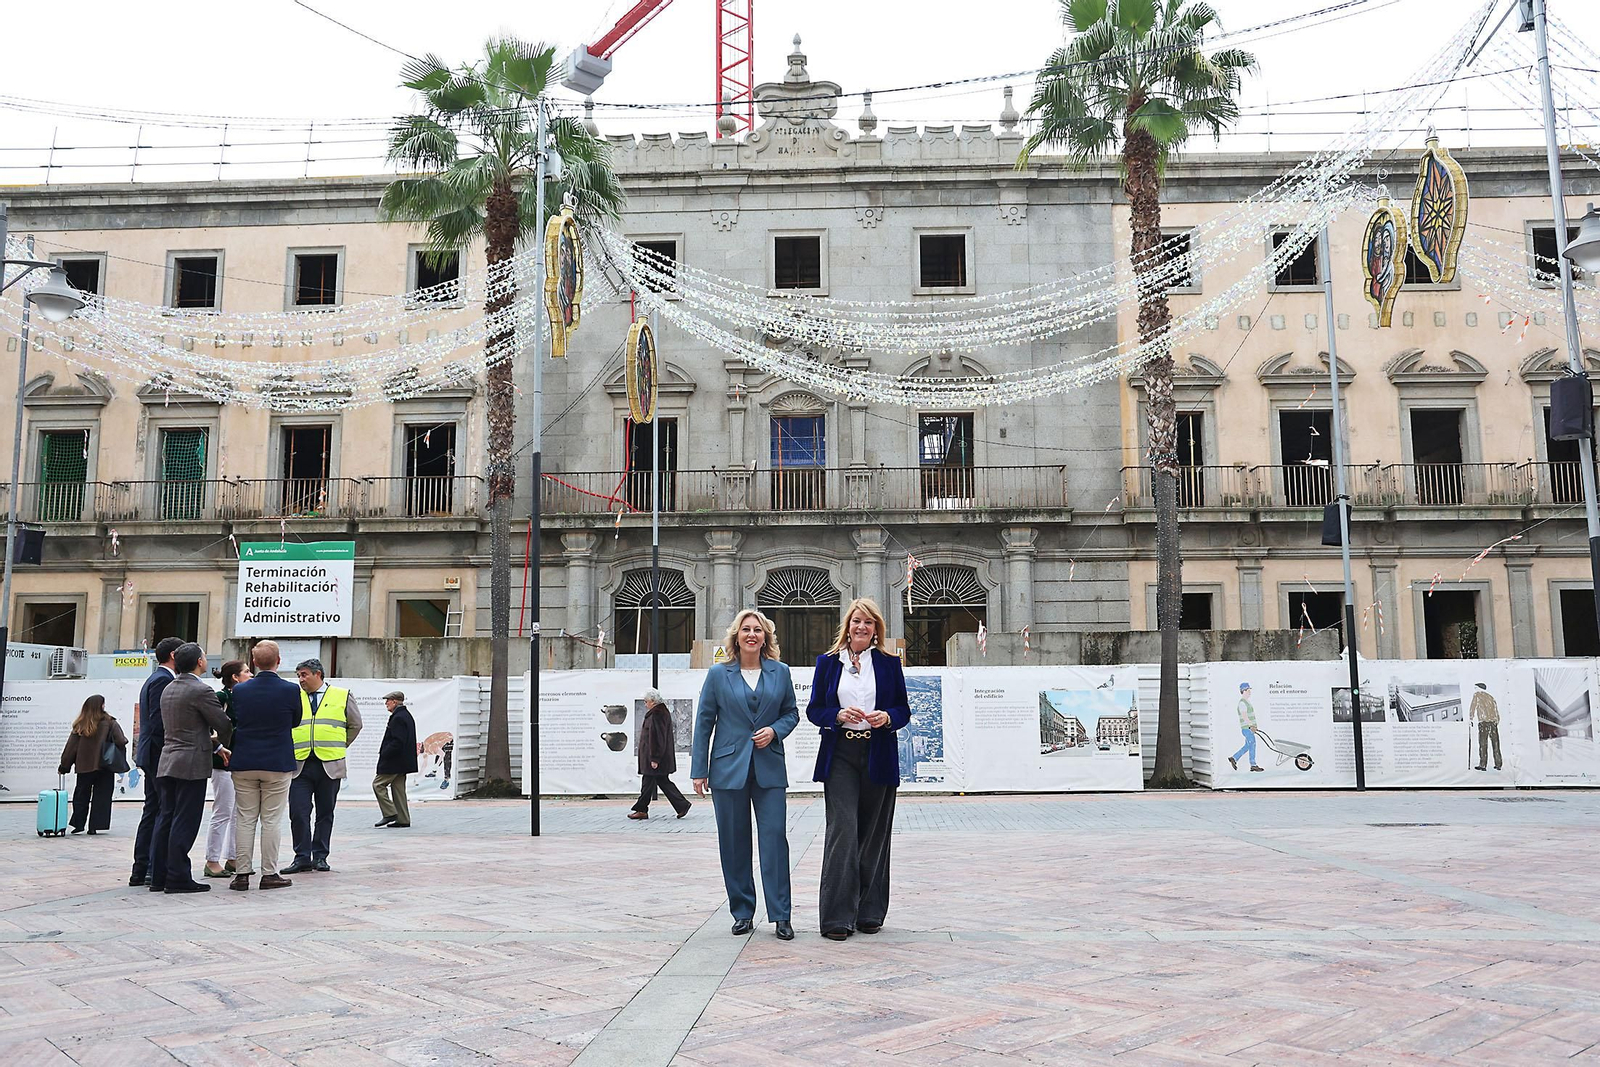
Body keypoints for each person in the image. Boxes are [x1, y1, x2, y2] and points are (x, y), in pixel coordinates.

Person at [805, 598, 911, 940]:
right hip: (840, 754)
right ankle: (836, 917)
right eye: (856, 621)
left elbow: (903, 709)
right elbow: (814, 710)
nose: (862, 627)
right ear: (847, 627)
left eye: (868, 622)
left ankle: (869, 912)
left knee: (874, 834)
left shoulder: (889, 664)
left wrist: (888, 717)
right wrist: (836, 715)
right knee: (843, 831)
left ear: (876, 629)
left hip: (878, 752)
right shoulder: (828, 663)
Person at [692, 609, 798, 941]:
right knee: (734, 842)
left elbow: (791, 713)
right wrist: (699, 770)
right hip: (727, 770)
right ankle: (742, 912)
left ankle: (781, 915)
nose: (752, 634)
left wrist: (775, 731)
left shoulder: (780, 672)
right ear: (736, 636)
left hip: (770, 769)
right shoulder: (718, 674)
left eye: (758, 630)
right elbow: (704, 722)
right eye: (746, 629)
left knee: (774, 840)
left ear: (766, 637)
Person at [151, 643, 232, 894]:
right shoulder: (201, 689)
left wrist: (216, 746)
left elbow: (187, 726)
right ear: (199, 662)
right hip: (191, 763)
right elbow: (222, 723)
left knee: (166, 818)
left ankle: (159, 876)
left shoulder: (170, 687)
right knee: (185, 821)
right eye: (204, 657)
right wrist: (223, 741)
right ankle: (178, 877)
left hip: (168, 760)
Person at [227, 641, 301, 891]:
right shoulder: (290, 690)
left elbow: (236, 718)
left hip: (245, 760)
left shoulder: (240, 690)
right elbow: (295, 721)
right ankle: (269, 873)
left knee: (245, 818)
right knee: (271, 820)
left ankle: (241, 874)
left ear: (254, 662)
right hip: (277, 761)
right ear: (278, 661)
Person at [284, 657, 362, 874]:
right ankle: (302, 857)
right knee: (298, 812)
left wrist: (339, 744)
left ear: (318, 674)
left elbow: (356, 724)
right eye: (298, 676)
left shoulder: (342, 695)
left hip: (329, 764)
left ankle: (320, 856)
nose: (300, 679)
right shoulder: (294, 696)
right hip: (300, 764)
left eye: (304, 675)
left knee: (325, 813)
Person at [129, 637, 184, 887]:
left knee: (153, 810)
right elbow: (160, 721)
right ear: (173, 655)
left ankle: (142, 868)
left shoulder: (156, 678)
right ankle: (151, 867)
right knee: (161, 810)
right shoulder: (163, 680)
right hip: (157, 754)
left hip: (152, 753)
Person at [202, 660, 251, 878]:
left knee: (237, 812)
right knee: (223, 810)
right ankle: (212, 860)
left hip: (240, 760)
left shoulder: (243, 697)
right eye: (246, 671)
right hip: (222, 761)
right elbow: (208, 726)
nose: (251, 675)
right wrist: (218, 747)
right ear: (235, 677)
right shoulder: (221, 697)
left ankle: (233, 857)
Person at [58, 695, 128, 835]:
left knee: (81, 795)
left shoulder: (80, 724)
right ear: (101, 706)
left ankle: (78, 824)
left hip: (84, 766)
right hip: (105, 766)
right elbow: (121, 740)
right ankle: (95, 826)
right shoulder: (110, 722)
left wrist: (64, 766)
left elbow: (71, 748)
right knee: (102, 796)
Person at [629, 688, 691, 821]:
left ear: (653, 701)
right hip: (656, 757)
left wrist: (655, 758)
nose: (645, 704)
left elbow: (657, 737)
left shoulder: (657, 714)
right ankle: (681, 805)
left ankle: (642, 809)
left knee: (650, 783)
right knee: (661, 781)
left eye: (646, 701)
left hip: (655, 757)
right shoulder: (659, 712)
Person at [373, 690, 417, 828]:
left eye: (388, 701)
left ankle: (389, 813)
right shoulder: (405, 715)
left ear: (395, 701)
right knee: (398, 789)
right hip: (402, 762)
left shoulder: (398, 718)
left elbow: (398, 741)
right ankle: (403, 819)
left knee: (378, 785)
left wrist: (385, 753)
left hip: (394, 761)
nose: (386, 703)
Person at [1228, 682, 1263, 772]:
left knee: (1249, 745)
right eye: (1248, 690)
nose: (1249, 692)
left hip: (1249, 728)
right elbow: (1244, 716)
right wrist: (1251, 725)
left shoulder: (1246, 702)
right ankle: (1253, 764)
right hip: (1247, 728)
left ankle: (1234, 758)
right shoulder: (1242, 703)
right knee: (1252, 744)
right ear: (1243, 691)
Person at [1471, 681, 1503, 771]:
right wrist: (1496, 721)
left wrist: (1470, 718)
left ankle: (1483, 765)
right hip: (1493, 722)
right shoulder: (1491, 697)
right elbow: (1496, 710)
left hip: (1483, 722)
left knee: (1483, 744)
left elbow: (1473, 707)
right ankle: (1498, 764)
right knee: (1495, 744)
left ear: (1480, 688)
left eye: (1476, 688)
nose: (1475, 689)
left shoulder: (1477, 695)